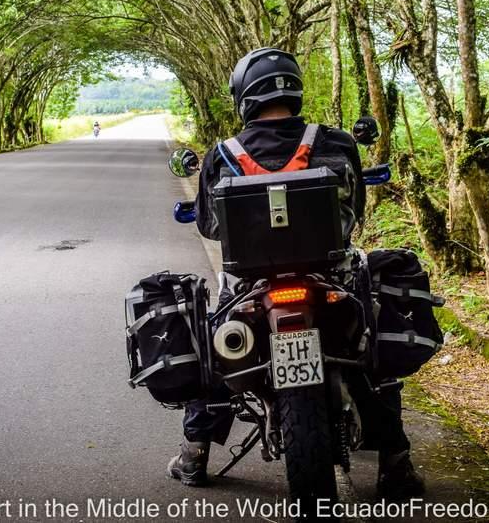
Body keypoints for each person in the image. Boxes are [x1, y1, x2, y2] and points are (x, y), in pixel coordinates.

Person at [166, 47, 425, 501]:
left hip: (250, 286)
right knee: (367, 350)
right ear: (295, 88)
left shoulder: (222, 154)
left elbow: (208, 226)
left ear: (244, 97)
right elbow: (355, 211)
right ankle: (396, 464)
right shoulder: (338, 142)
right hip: (330, 278)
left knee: (218, 350)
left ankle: (196, 453)